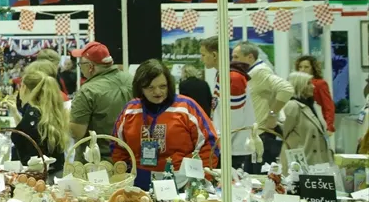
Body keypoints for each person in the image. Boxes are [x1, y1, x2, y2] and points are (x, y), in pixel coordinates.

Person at [112, 60, 217, 189]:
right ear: (140, 88)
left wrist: (199, 180)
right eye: (150, 87)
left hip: (182, 183)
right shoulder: (130, 110)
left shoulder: (186, 107)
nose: (157, 92)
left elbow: (210, 144)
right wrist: (123, 174)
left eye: (163, 86)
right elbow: (117, 145)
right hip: (139, 183)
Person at [199, 36, 255, 168]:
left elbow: (234, 118)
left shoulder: (233, 77)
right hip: (227, 145)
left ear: (214, 55)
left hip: (232, 147)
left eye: (203, 54)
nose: (201, 58)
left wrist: (221, 143)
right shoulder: (224, 74)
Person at [232, 42, 293, 164]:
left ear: (250, 57)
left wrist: (272, 114)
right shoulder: (250, 73)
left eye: (236, 57)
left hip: (262, 135)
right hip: (254, 134)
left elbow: (286, 89)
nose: (233, 61)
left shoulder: (260, 71)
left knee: (261, 174)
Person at [68, 42, 133, 148]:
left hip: (98, 155)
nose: (80, 68)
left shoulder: (87, 91)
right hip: (129, 153)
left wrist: (63, 118)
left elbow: (77, 132)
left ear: (90, 67)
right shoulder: (131, 80)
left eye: (81, 64)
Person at [7, 68, 70, 176]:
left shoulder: (32, 113)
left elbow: (25, 137)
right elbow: (28, 131)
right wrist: (16, 113)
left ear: (23, 87)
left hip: (38, 176)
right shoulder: (47, 111)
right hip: (55, 172)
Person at [281, 71, 333, 168]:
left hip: (319, 164)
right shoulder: (293, 106)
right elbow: (283, 133)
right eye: (308, 83)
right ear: (299, 85)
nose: (313, 86)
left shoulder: (314, 106)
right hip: (301, 164)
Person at [294, 55, 335, 134]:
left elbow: (328, 106)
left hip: (315, 119)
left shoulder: (320, 84)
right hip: (299, 121)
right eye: (300, 67)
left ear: (313, 68)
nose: (302, 70)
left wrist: (329, 126)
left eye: (306, 67)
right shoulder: (296, 82)